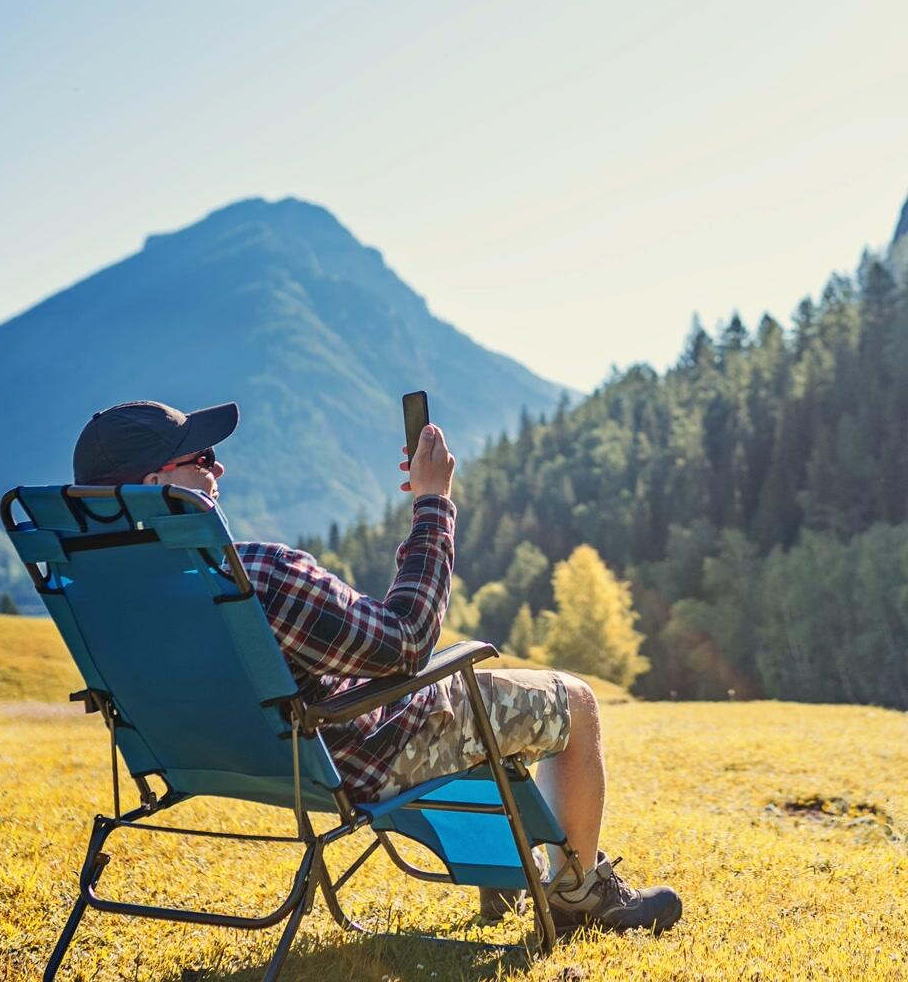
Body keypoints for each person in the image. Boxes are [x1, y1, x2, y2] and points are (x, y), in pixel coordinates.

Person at [73, 399, 682, 935]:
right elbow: (407, 642)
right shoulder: (256, 576)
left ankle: (506, 871)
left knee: (475, 703)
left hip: (214, 760)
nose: (219, 468)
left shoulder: (89, 589)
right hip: (356, 758)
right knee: (571, 700)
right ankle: (578, 894)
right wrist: (433, 503)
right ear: (155, 483)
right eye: (202, 458)